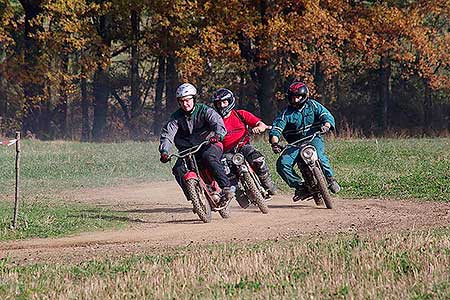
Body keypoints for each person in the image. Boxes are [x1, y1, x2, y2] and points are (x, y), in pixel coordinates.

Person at [159, 83, 235, 206]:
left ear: (194, 99)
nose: (185, 104)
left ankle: (226, 187)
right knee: (178, 169)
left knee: (209, 157)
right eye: (182, 101)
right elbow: (168, 134)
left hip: (210, 144)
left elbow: (217, 123)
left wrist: (218, 135)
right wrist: (164, 151)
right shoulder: (175, 118)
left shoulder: (205, 110)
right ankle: (194, 198)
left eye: (188, 100)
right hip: (187, 151)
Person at [269, 81, 341, 201]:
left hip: (313, 138)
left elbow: (326, 115)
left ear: (304, 96)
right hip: (294, 144)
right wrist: (274, 143)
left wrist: (327, 125)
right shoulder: (286, 114)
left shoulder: (313, 105)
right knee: (282, 164)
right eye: (293, 97)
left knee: (320, 157)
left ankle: (330, 179)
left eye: (298, 97)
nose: (296, 100)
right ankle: (300, 187)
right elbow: (276, 129)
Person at [211, 88, 277, 195]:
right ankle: (237, 193)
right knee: (226, 173)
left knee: (258, 159)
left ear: (230, 101)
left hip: (243, 146)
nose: (222, 105)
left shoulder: (240, 114)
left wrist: (259, 128)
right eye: (219, 103)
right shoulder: (214, 120)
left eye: (224, 102)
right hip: (225, 152)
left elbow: (261, 124)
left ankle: (266, 182)